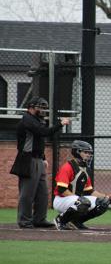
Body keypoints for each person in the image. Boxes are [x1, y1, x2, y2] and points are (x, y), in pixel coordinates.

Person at [10, 96, 70, 229]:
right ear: (30, 108)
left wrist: (43, 157)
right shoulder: (27, 120)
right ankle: (24, 220)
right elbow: (43, 133)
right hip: (27, 159)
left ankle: (39, 219)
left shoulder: (36, 120)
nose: (43, 110)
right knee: (27, 192)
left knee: (42, 193)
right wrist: (60, 124)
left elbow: (38, 142)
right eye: (40, 107)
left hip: (38, 159)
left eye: (44, 108)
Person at [53, 140, 111, 230]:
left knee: (102, 203)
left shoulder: (85, 169)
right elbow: (62, 189)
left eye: (90, 153)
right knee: (84, 202)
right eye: (86, 152)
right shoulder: (67, 167)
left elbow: (89, 191)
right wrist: (79, 200)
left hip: (74, 200)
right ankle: (60, 220)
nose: (89, 155)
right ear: (77, 152)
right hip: (61, 200)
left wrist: (108, 198)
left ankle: (76, 222)